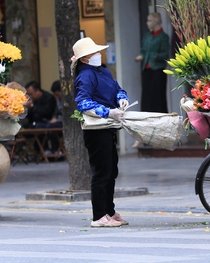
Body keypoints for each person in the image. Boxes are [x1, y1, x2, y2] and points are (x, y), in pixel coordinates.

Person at [72, 37, 129, 228]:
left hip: (108, 126)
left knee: (111, 170)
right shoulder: (85, 75)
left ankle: (109, 211)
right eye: (93, 53)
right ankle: (99, 215)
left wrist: (122, 99)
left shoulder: (102, 71)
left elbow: (118, 89)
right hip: (96, 129)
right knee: (101, 172)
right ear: (84, 59)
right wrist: (108, 112)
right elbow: (83, 103)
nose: (98, 54)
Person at [134, 13, 170, 148]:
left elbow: (165, 54)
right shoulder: (147, 36)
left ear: (156, 21)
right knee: (146, 102)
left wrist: (152, 56)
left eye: (150, 20)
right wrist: (142, 56)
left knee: (158, 102)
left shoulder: (163, 37)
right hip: (147, 71)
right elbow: (143, 49)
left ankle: (162, 136)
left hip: (158, 71)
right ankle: (146, 137)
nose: (147, 23)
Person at [25, 81, 60, 154]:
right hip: (34, 123)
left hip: (47, 122)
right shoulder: (33, 101)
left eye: (31, 94)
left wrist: (32, 106)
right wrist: (27, 109)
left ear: (37, 91)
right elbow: (30, 117)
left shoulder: (49, 98)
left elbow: (45, 113)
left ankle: (51, 151)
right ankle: (39, 153)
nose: (30, 97)